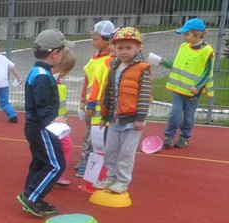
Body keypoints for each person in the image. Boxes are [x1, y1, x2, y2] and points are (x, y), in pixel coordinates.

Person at [17, 29, 74, 217]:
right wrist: (53, 121)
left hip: (37, 126)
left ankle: (32, 195)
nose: (64, 55)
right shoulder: (42, 75)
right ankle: (32, 197)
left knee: (41, 162)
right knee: (56, 164)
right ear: (54, 53)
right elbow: (42, 106)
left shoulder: (39, 71)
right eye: (63, 51)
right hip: (42, 128)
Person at [91, 27, 151, 194]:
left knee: (126, 153)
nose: (124, 52)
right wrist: (104, 115)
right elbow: (108, 93)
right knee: (110, 150)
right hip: (115, 119)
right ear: (114, 48)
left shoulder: (142, 68)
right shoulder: (114, 67)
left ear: (138, 48)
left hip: (132, 119)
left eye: (128, 48)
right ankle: (111, 176)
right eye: (120, 48)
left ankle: (123, 181)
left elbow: (145, 95)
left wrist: (141, 117)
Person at [161, 17, 215, 149]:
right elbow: (178, 64)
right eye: (184, 34)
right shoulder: (183, 46)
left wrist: (198, 86)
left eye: (187, 33)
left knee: (188, 116)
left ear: (198, 33)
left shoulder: (207, 51)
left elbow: (207, 71)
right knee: (175, 112)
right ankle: (169, 136)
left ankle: (184, 137)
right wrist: (164, 62)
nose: (184, 36)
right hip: (178, 88)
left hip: (192, 92)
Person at [75, 20, 115, 178]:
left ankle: (90, 164)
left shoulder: (111, 60)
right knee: (89, 134)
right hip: (90, 103)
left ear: (108, 40)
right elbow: (87, 79)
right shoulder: (94, 57)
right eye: (92, 38)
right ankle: (86, 159)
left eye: (96, 39)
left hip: (101, 105)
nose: (93, 42)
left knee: (97, 136)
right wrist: (83, 99)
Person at [52, 49, 76, 187]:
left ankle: (55, 171)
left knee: (60, 147)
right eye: (65, 70)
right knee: (66, 146)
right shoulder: (51, 83)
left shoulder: (59, 82)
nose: (67, 74)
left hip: (59, 122)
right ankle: (58, 173)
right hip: (54, 123)